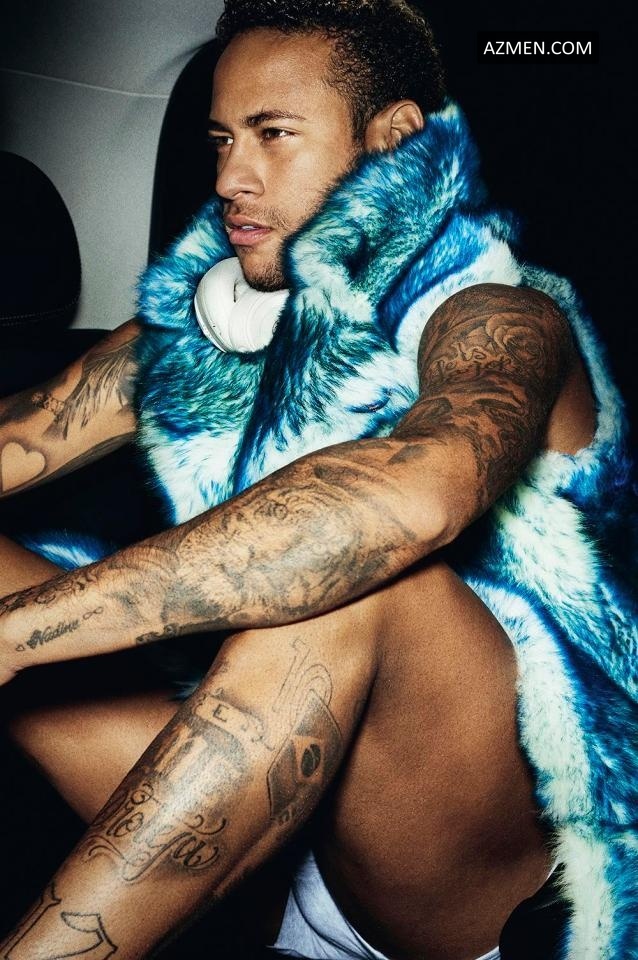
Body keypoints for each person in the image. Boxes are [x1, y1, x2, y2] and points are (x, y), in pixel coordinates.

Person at [0, 1, 635, 958]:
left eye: (273, 135)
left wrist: (18, 633)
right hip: (274, 827)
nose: (230, 177)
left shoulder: (502, 321)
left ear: (393, 140)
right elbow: (22, 432)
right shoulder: (213, 324)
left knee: (357, 577)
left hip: (478, 865)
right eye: (221, 140)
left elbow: (414, 495)